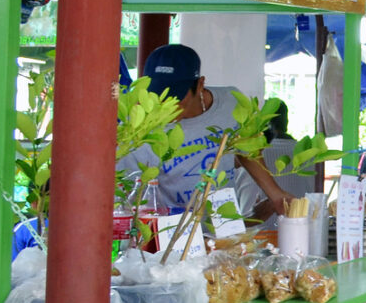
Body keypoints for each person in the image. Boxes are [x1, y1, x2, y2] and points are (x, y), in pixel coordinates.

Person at [120, 43, 295, 219]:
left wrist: (275, 194)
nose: (166, 105)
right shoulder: (137, 125)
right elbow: (127, 196)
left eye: (175, 97)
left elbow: (247, 149)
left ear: (200, 84)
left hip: (224, 229)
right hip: (169, 235)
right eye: (157, 96)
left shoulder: (231, 104)